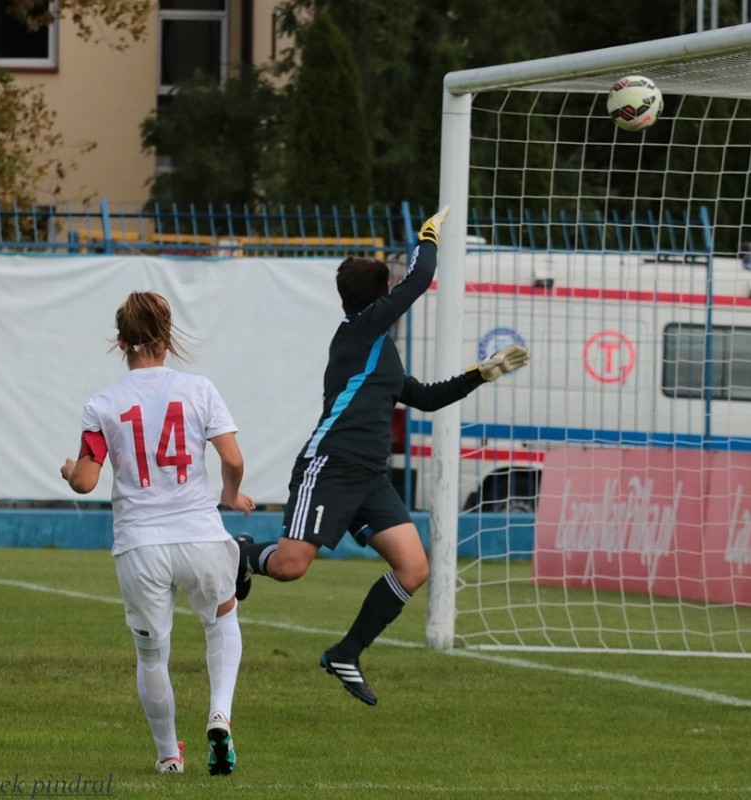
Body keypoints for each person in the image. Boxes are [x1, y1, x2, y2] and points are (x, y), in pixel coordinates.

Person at [235, 205, 529, 706]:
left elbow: (427, 398)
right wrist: (428, 236)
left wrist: (480, 374)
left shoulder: (380, 350)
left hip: (371, 477)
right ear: (381, 296)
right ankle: (239, 554)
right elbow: (422, 277)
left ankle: (346, 652)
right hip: (331, 465)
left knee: (414, 568)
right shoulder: (360, 330)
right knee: (289, 567)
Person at [60, 291, 255, 775]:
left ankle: (169, 755)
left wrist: (69, 471)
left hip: (140, 544)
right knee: (222, 622)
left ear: (120, 341)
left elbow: (85, 481)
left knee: (151, 655)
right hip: (199, 536)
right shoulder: (198, 389)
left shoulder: (103, 403)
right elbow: (233, 460)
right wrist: (231, 495)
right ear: (167, 339)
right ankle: (219, 714)